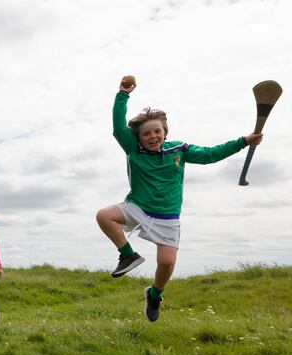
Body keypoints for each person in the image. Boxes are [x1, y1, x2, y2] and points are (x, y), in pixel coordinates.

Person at [96, 76, 263, 322]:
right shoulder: (133, 149)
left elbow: (209, 154)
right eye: (146, 134)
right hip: (138, 207)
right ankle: (128, 255)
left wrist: (243, 141)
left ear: (165, 132)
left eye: (157, 131)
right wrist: (122, 95)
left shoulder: (179, 150)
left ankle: (155, 294)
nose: (152, 136)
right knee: (104, 215)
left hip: (167, 216)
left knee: (166, 263)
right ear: (138, 137)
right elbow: (117, 127)